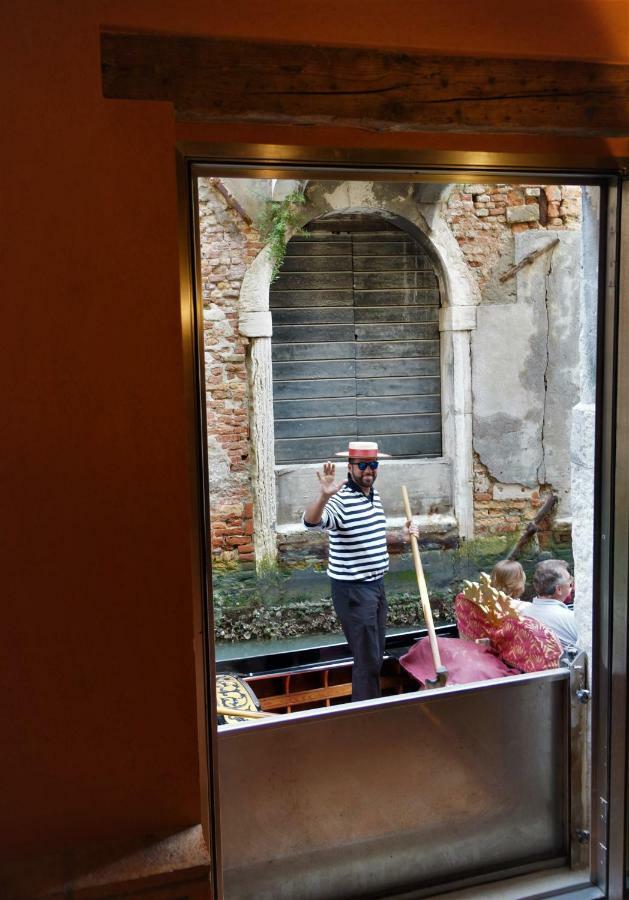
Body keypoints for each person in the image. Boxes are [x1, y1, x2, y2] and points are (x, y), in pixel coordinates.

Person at [303, 440, 408, 702]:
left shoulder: (374, 495)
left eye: (373, 465)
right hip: (353, 590)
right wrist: (324, 495)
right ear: (350, 467)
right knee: (368, 660)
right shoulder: (340, 500)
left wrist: (402, 535)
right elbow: (311, 523)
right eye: (362, 465)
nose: (368, 471)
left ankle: (367, 710)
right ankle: (365, 717)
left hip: (376, 587)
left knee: (375, 653)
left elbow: (374, 535)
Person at [520, 559, 579, 649]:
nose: (572, 586)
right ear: (558, 589)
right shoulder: (571, 619)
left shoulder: (522, 613)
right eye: (570, 583)